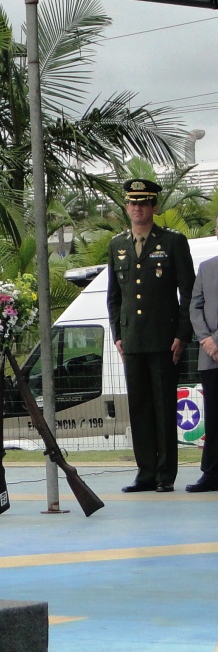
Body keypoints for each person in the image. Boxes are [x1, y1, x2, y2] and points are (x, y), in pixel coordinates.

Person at [107, 178, 195, 493]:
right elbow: (114, 296)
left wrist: (182, 334)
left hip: (163, 339)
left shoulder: (173, 242)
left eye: (143, 203)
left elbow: (189, 292)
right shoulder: (117, 244)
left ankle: (164, 475)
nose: (137, 209)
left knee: (162, 407)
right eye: (132, 203)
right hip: (132, 340)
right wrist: (118, 334)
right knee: (140, 409)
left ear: (154, 207)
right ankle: (144, 472)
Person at [187, 240, 218, 491]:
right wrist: (206, 340)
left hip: (213, 347)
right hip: (210, 357)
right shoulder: (206, 268)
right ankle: (212, 472)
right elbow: (194, 307)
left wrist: (215, 341)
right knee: (214, 417)